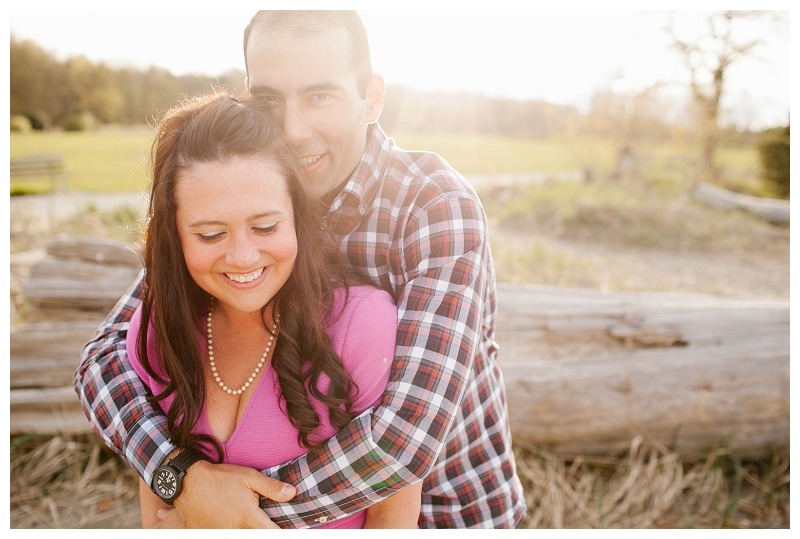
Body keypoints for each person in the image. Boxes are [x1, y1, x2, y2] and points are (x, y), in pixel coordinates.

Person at [74, 10, 526, 528]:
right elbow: (104, 358)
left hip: (450, 511)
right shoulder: (246, 197)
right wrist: (179, 475)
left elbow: (405, 440)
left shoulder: (434, 206)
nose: (292, 129)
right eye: (268, 99)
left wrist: (228, 514)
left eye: (320, 96)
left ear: (372, 98)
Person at [127, 93, 421, 529]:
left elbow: (391, 516)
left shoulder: (361, 327)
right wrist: (180, 484)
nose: (243, 257)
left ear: (297, 216)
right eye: (210, 235)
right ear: (174, 236)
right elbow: (159, 506)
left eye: (265, 227)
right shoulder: (157, 330)